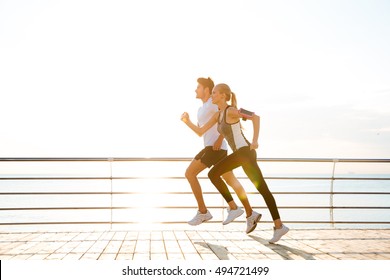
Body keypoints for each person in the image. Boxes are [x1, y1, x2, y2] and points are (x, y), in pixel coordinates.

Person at [181, 83, 289, 243]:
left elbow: (255, 117)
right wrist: (186, 121)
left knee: (213, 173)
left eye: (215, 93)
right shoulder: (218, 115)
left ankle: (234, 208)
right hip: (241, 155)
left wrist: (255, 140)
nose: (212, 95)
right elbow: (200, 132)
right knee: (262, 189)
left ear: (223, 95)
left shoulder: (232, 111)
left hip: (245, 152)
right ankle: (279, 226)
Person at [182, 77, 260, 234]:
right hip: (214, 148)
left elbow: (226, 117)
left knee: (190, 173)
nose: (195, 90)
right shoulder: (202, 109)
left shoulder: (213, 103)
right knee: (232, 182)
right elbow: (202, 131)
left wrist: (220, 138)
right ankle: (250, 213)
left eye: (198, 87)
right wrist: (187, 121)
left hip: (215, 149)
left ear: (208, 90)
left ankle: (205, 211)